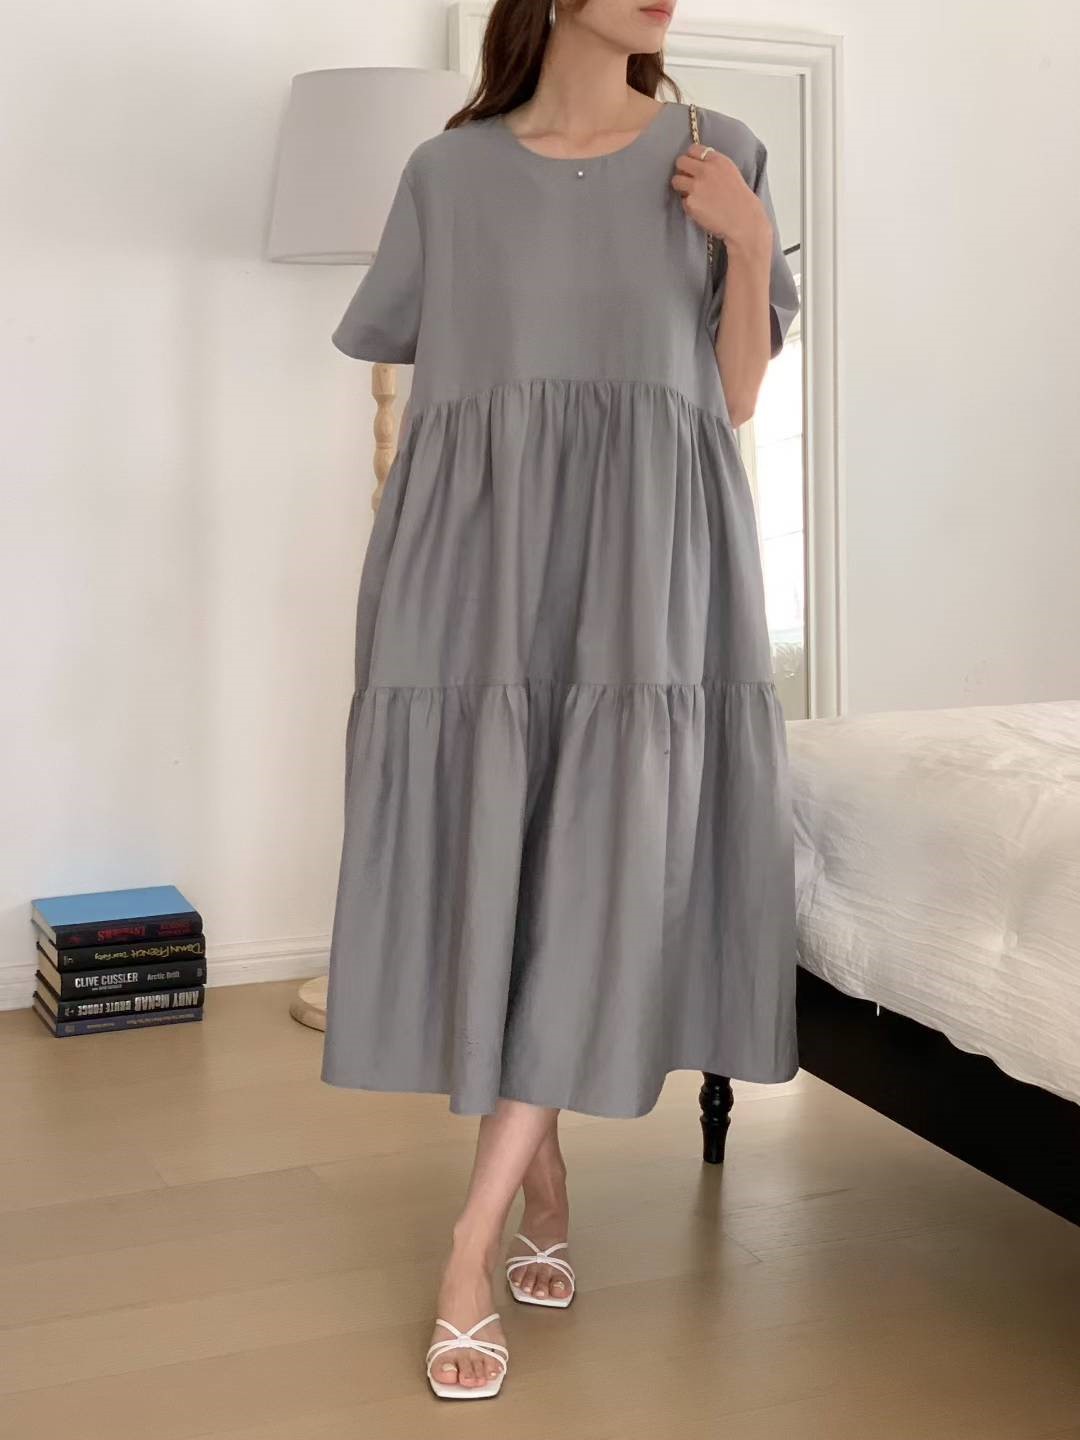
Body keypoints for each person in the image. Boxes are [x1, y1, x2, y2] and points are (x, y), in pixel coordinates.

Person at [320, 0, 801, 1400]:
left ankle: (468, 1250)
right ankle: (543, 1174)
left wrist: (748, 242)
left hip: (652, 560)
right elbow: (426, 385)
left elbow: (730, 399)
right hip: (479, 561)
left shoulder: (722, 150)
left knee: (603, 861)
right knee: (505, 858)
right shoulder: (449, 174)